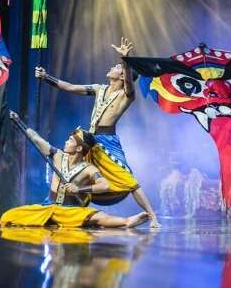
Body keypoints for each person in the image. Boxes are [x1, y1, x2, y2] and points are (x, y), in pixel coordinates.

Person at [35, 37, 160, 228]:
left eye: (116, 67)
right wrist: (46, 78)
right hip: (89, 140)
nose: (112, 68)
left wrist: (125, 60)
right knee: (74, 172)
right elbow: (70, 87)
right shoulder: (99, 89)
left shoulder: (125, 95)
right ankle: (62, 207)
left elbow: (129, 82)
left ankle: (152, 217)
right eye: (117, 65)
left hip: (107, 143)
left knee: (129, 180)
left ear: (122, 76)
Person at [0, 111, 149, 228]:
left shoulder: (89, 169)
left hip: (72, 211)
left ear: (78, 148)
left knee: (96, 218)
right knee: (7, 217)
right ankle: (51, 221)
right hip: (47, 208)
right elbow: (37, 140)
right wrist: (19, 122)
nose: (65, 142)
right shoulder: (57, 155)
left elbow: (104, 185)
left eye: (70, 141)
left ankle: (127, 221)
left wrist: (78, 189)